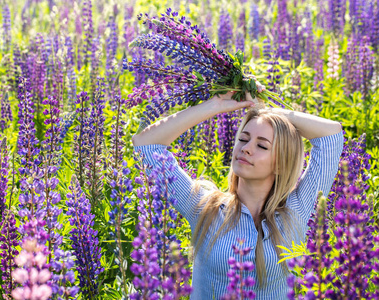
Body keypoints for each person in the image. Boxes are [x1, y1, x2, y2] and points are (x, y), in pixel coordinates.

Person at [132, 87, 344, 299]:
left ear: (280, 164)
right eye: (243, 139)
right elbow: (146, 146)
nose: (246, 148)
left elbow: (331, 136)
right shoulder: (205, 207)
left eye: (261, 145)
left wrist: (265, 111)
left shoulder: (295, 211)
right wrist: (214, 105)